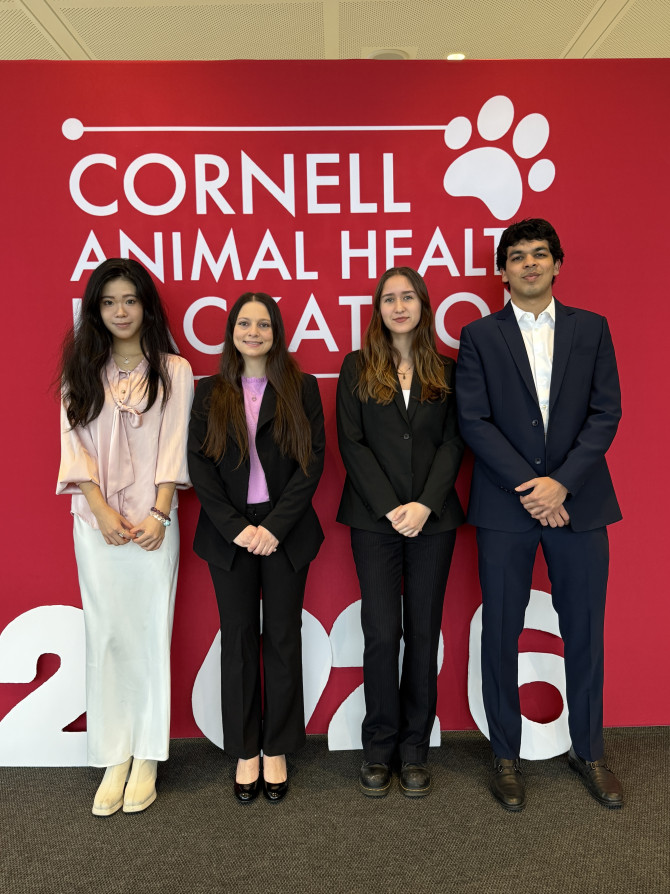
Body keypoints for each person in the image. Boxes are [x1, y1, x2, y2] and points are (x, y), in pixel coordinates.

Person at [455, 218, 623, 811]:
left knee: (585, 630)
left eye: (540, 254)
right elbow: (473, 420)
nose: (529, 264)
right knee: (501, 630)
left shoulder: (593, 329)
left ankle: (589, 749)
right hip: (508, 504)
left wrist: (562, 486)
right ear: (501, 271)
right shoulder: (478, 336)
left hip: (580, 501)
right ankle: (506, 754)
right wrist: (534, 488)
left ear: (557, 264)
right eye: (517, 256)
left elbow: (606, 413)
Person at [57, 258, 193, 816]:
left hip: (155, 524)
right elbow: (73, 444)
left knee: (148, 634)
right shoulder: (81, 370)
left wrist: (159, 513)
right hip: (97, 526)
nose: (120, 311)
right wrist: (100, 509)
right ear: (96, 309)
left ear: (146, 307)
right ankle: (114, 754)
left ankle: (147, 755)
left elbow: (174, 441)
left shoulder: (175, 370)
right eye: (109, 301)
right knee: (107, 634)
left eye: (129, 300)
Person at [188, 292, 325, 804]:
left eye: (262, 324)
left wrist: (276, 526)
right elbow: (199, 466)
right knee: (239, 638)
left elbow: (313, 459)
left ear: (276, 331)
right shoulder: (209, 392)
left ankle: (278, 747)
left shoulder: (301, 387)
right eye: (244, 323)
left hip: (285, 531)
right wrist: (236, 527)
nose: (253, 332)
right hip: (231, 533)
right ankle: (246, 748)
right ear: (231, 331)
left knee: (284, 638)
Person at [336, 267, 465, 798]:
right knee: (382, 634)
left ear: (423, 304)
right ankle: (378, 748)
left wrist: (424, 506)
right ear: (377, 309)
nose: (398, 306)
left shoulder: (449, 370)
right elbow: (352, 443)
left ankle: (415, 749)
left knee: (422, 634)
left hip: (434, 522)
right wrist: (393, 508)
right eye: (388, 298)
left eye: (407, 296)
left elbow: (454, 443)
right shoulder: (357, 367)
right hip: (374, 521)